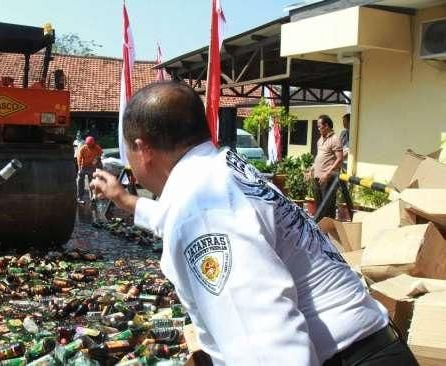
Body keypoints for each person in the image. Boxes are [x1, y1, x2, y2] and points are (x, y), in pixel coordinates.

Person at [90, 81, 417, 366]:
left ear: (141, 148)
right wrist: (126, 200)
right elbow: (183, 218)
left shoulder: (201, 210)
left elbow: (270, 352)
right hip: (375, 347)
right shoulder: (221, 174)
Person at [305, 115, 344, 220]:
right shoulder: (320, 140)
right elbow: (319, 158)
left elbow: (339, 159)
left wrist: (327, 174)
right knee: (319, 207)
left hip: (328, 179)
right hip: (317, 178)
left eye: (319, 126)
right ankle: (320, 232)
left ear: (326, 126)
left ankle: (329, 232)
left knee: (327, 208)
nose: (318, 129)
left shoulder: (335, 139)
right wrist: (311, 170)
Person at [76, 136, 102, 204]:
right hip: (83, 166)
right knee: (80, 181)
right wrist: (79, 168)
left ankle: (93, 198)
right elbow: (79, 159)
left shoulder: (97, 148)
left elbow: (99, 158)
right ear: (86, 143)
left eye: (91, 145)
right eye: (88, 145)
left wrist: (96, 166)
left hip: (92, 167)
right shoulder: (83, 148)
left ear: (93, 143)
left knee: (92, 182)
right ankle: (79, 198)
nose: (89, 146)